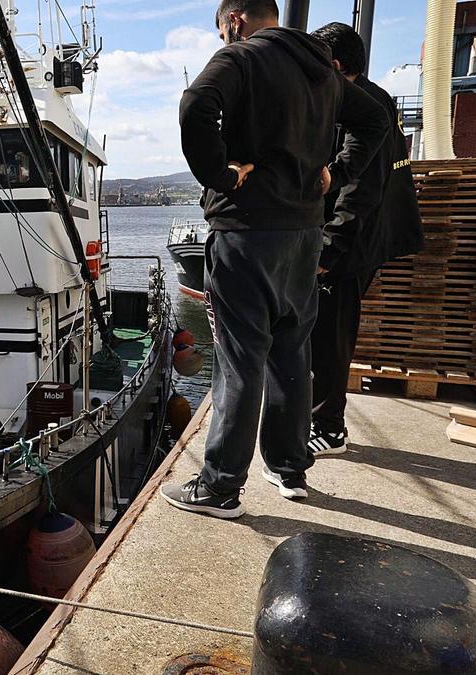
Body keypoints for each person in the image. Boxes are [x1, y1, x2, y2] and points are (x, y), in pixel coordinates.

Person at [162, 0, 390, 519]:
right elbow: (375, 118)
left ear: (235, 19)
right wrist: (338, 170)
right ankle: (289, 469)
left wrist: (220, 176)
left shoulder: (241, 59)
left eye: (222, 28)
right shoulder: (321, 67)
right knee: (292, 352)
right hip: (305, 233)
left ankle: (219, 487)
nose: (223, 37)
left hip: (246, 234)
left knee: (239, 361)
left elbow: (195, 104)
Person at [307, 22, 424, 457]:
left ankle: (329, 428)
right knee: (325, 330)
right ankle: (318, 415)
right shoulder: (375, 97)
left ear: (335, 66)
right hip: (364, 231)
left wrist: (330, 249)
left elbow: (361, 188)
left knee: (332, 335)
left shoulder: (363, 106)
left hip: (354, 239)